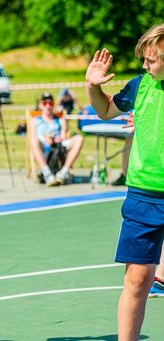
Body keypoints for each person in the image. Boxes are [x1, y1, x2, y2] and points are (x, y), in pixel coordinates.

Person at [85, 23, 164, 339]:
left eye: (150, 60)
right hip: (143, 196)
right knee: (137, 279)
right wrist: (92, 86)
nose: (144, 65)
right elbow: (105, 110)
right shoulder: (139, 86)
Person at [30, 92, 84, 186]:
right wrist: (44, 138)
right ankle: (47, 173)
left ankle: (63, 172)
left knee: (79, 138)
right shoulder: (35, 120)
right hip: (43, 146)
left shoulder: (60, 120)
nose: (48, 106)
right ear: (41, 105)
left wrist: (58, 138)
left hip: (58, 146)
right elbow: (33, 137)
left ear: (53, 105)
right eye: (45, 103)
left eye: (50, 103)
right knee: (34, 141)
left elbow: (63, 136)